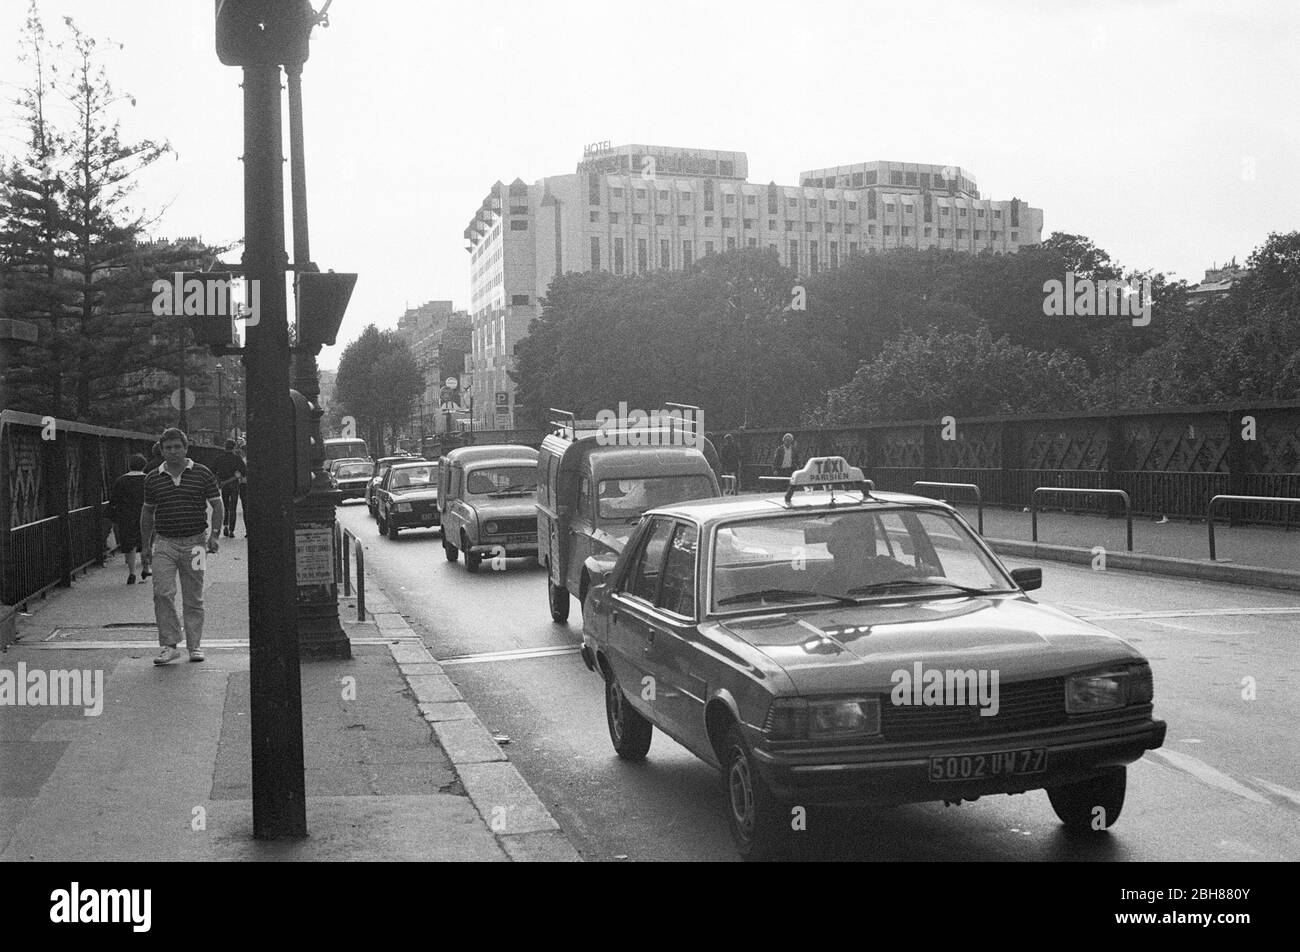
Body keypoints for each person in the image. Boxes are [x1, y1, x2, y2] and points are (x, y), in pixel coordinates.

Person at [140, 428, 223, 665]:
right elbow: (147, 512)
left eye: (178, 447)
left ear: (185, 448)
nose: (173, 451)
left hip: (196, 543)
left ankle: (194, 645)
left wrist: (214, 536)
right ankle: (169, 645)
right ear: (162, 450)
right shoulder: (153, 478)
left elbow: (217, 506)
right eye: (168, 448)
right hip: (164, 543)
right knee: (162, 593)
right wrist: (145, 545)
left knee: (193, 597)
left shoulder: (202, 474)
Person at [109, 454, 148, 584]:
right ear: (144, 465)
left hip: (126, 516)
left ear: (129, 465)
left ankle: (132, 572)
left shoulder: (121, 480)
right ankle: (146, 567)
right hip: (144, 514)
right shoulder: (148, 479)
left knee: (129, 543)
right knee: (145, 541)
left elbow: (114, 499)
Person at [212, 439, 247, 537]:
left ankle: (226, 526)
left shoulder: (219, 458)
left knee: (226, 507)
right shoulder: (237, 458)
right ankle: (232, 530)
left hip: (224, 485)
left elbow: (213, 471)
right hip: (234, 484)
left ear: (225, 447)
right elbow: (244, 472)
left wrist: (219, 482)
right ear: (234, 447)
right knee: (233, 508)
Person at [234, 442, 248, 536]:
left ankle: (247, 529)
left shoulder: (242, 461)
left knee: (245, 508)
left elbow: (237, 474)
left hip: (244, 485)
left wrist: (239, 478)